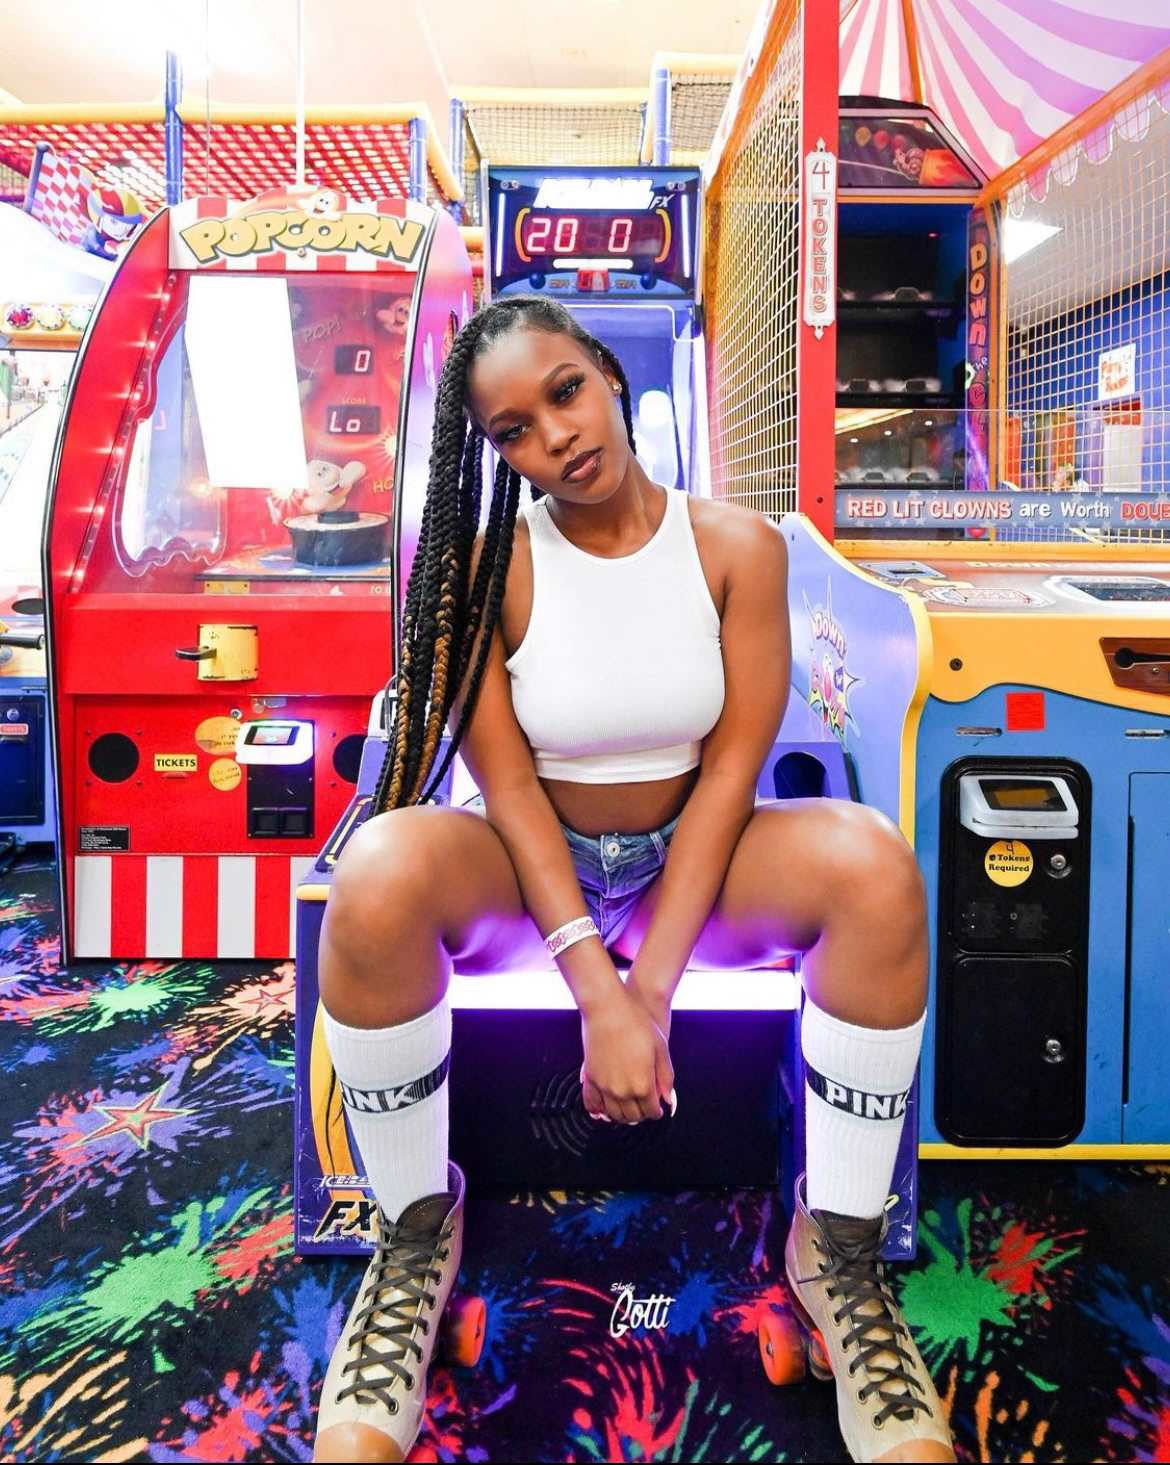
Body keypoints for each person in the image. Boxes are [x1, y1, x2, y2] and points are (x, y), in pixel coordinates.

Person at [312, 295, 956, 1465]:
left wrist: (647, 992)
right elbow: (507, 786)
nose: (554, 435)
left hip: (693, 864)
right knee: (379, 867)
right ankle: (412, 1244)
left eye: (564, 392)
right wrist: (593, 991)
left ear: (608, 375)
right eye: (513, 430)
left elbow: (731, 776)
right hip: (531, 869)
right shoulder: (485, 568)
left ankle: (840, 1257)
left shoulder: (738, 547)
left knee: (872, 863)